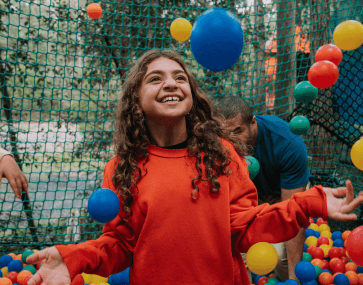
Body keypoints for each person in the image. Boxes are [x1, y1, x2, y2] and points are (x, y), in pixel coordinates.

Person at [26, 49, 363, 285]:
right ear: (136, 101)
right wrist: (73, 260)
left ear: (191, 93)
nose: (171, 83)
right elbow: (120, 243)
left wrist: (311, 202)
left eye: (179, 77)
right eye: (155, 78)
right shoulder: (121, 167)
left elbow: (246, 226)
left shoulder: (222, 155)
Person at [215, 96, 309, 282]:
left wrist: (293, 278)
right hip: (247, 200)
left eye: (237, 131)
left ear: (252, 122)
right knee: (236, 254)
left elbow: (293, 211)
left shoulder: (287, 144)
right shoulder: (218, 147)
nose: (232, 141)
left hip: (282, 196)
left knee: (282, 259)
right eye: (226, 135)